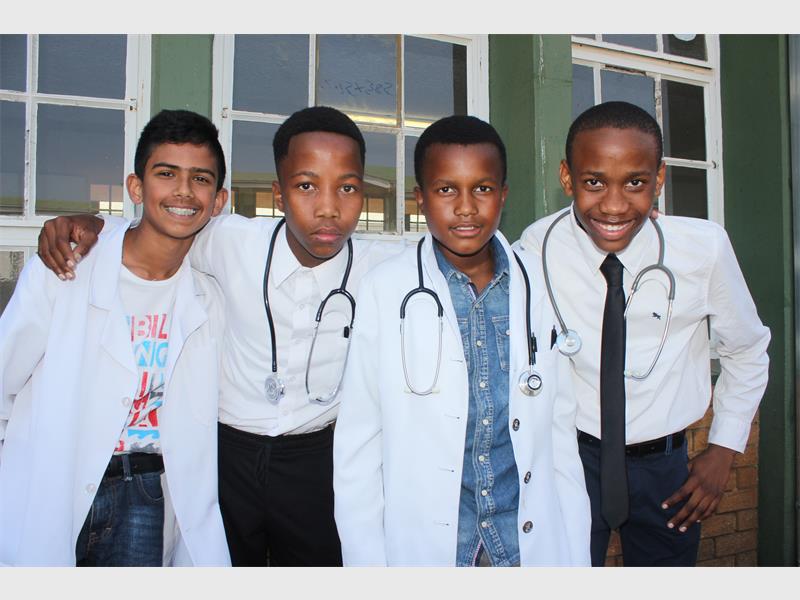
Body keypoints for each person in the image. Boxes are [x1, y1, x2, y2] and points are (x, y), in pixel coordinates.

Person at [34, 106, 404, 566]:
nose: (328, 207)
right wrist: (90, 225)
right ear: (278, 194)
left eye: (347, 188)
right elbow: (162, 226)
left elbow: (456, 250)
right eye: (306, 186)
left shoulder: (383, 267)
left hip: (315, 459)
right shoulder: (229, 240)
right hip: (226, 456)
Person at [515, 101, 771, 567]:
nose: (614, 205)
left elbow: (748, 350)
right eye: (594, 182)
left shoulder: (704, 249)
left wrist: (723, 449)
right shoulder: (537, 246)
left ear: (659, 179)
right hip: (571, 460)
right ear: (567, 178)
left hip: (666, 471)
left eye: (635, 182)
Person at [333, 115, 591, 566]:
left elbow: (559, 435)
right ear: (420, 199)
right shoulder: (384, 290)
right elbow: (359, 447)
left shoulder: (537, 282)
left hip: (523, 541)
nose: (467, 207)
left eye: (483, 189)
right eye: (447, 189)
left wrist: (575, 556)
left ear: (503, 195)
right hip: (432, 546)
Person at [0, 109, 231, 566]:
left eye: (201, 179)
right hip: (53, 483)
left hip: (145, 494)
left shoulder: (210, 298)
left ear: (219, 200)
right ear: (136, 188)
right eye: (166, 173)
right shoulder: (65, 267)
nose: (184, 191)